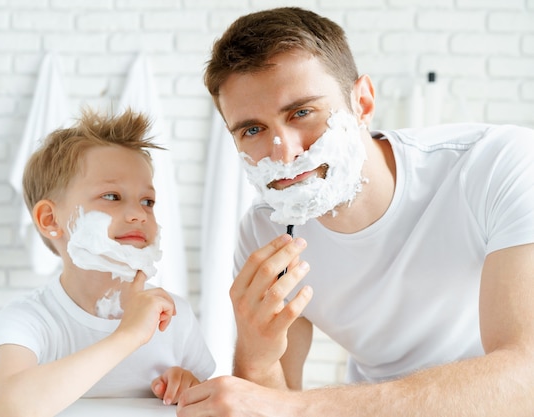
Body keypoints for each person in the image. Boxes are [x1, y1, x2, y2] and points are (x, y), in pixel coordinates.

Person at [177, 6, 534, 417]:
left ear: (362, 102)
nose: (286, 151)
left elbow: (524, 377)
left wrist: (301, 409)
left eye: (302, 112)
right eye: (253, 130)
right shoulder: (266, 233)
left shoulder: (498, 165)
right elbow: (267, 403)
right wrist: (255, 359)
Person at [0, 108, 215, 417]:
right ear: (50, 220)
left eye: (148, 201)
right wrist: (128, 335)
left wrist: (187, 386)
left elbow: (206, 400)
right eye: (112, 196)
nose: (139, 214)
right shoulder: (30, 319)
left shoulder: (175, 317)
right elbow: (10, 407)